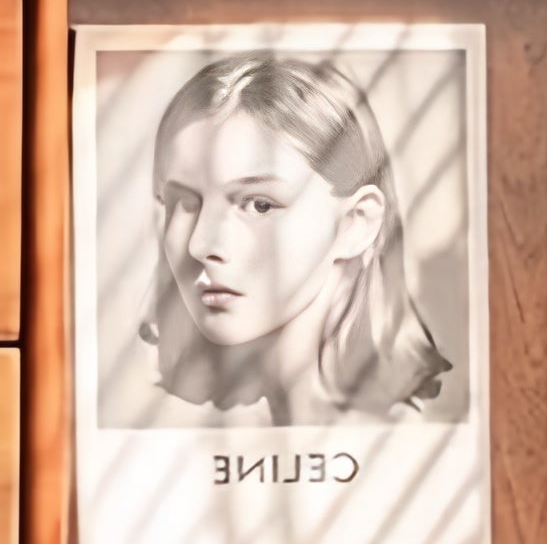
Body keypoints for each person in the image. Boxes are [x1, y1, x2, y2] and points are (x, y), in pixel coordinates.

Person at [144, 54, 453, 421]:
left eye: (259, 205)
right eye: (183, 202)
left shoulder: (402, 443)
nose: (200, 245)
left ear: (357, 222)